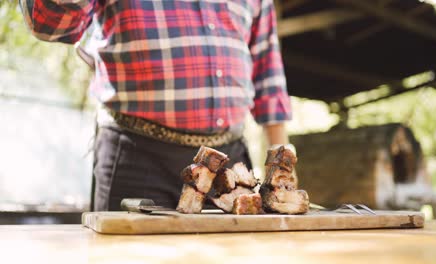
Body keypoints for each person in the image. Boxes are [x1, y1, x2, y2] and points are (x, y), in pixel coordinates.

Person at [20, 0, 292, 211]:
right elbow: (49, 25)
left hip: (229, 168)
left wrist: (283, 169)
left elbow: (267, 69)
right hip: (137, 156)